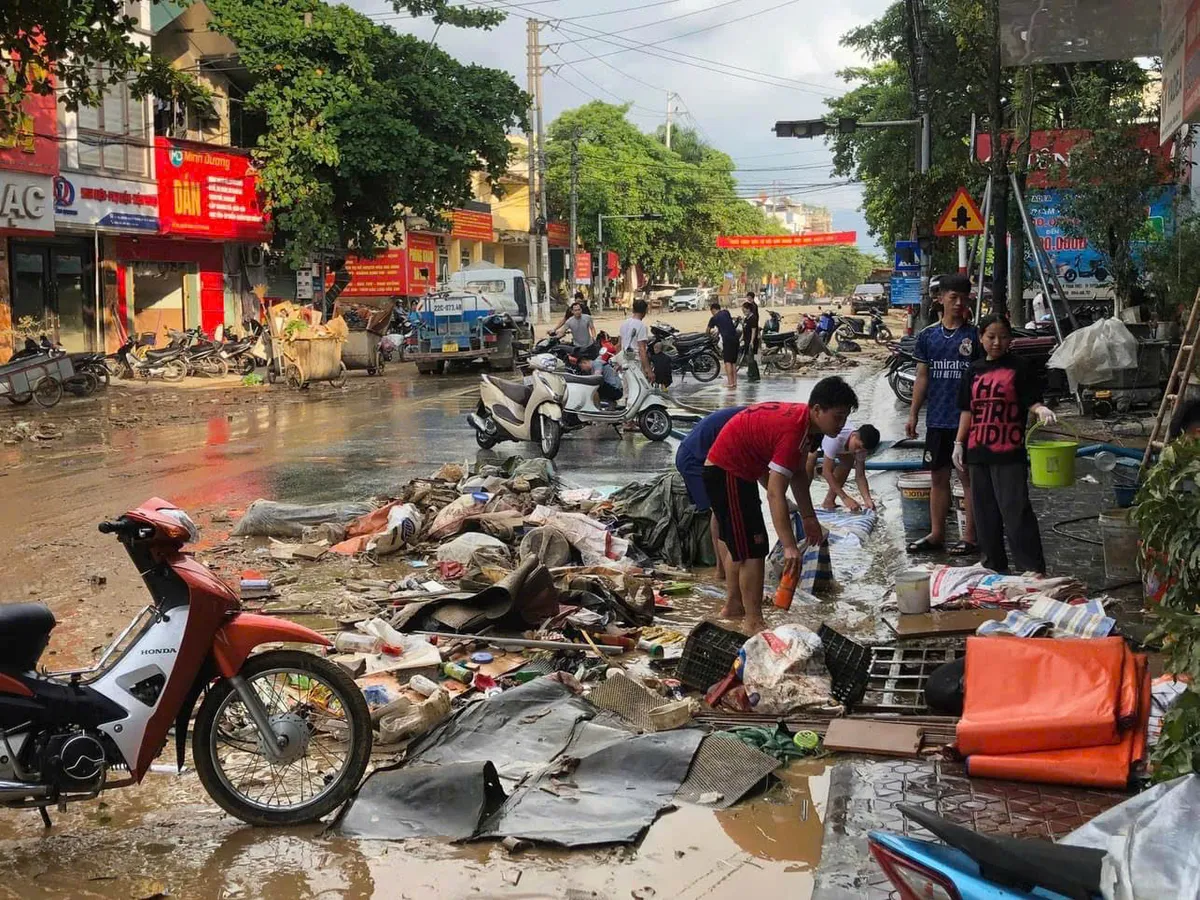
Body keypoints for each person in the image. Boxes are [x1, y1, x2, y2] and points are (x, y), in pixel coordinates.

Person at [704, 377, 860, 636]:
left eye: (845, 418)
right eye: (838, 417)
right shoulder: (793, 430)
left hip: (738, 472)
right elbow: (775, 493)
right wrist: (789, 546)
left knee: (744, 546)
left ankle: (735, 607)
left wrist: (809, 517)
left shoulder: (809, 429)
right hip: (727, 470)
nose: (841, 424)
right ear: (817, 409)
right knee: (753, 548)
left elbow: (798, 474)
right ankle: (752, 620)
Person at [954, 315, 1055, 573]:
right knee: (985, 516)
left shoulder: (1020, 367)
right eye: (991, 337)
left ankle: (1031, 570)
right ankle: (993, 568)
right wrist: (959, 443)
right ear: (981, 338)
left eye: (1003, 337)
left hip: (1009, 452)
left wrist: (1041, 409)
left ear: (1010, 339)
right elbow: (967, 411)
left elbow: (1030, 400)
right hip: (978, 452)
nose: (997, 343)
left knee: (1016, 514)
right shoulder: (973, 370)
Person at [905, 273, 980, 555]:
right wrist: (913, 414)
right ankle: (936, 534)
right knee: (937, 477)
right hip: (936, 419)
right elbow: (922, 377)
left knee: (966, 476)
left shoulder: (975, 336)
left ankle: (970, 537)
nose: (959, 303)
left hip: (965, 420)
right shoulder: (927, 336)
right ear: (941, 299)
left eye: (964, 298)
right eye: (953, 298)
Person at [675, 405, 746, 579]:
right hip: (695, 459)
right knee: (721, 512)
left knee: (722, 511)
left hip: (705, 455)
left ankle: (723, 568)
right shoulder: (750, 423)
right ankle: (722, 570)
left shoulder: (751, 417)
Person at [807, 423, 881, 512]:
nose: (857, 451)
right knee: (811, 457)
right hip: (818, 435)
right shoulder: (835, 439)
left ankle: (829, 501)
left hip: (840, 447)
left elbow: (860, 475)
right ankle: (803, 499)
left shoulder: (861, 450)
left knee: (848, 461)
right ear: (854, 435)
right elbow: (826, 472)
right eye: (857, 447)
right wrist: (845, 498)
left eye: (861, 450)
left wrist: (867, 499)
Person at [616, 298, 653, 379]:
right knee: (639, 389)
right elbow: (642, 349)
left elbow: (619, 345)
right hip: (635, 364)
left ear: (633, 309)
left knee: (627, 390)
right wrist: (648, 370)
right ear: (645, 311)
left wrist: (618, 363)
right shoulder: (642, 326)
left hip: (624, 362)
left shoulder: (624, 323)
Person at [707, 301, 740, 389]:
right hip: (736, 338)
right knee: (733, 362)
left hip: (727, 340)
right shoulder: (726, 312)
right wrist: (718, 332)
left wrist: (710, 335)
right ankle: (734, 382)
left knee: (727, 362)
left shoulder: (713, 318)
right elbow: (725, 324)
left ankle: (730, 382)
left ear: (713, 310)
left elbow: (707, 330)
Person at [741, 293, 761, 383]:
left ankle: (754, 374)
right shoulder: (746, 318)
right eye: (743, 310)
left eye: (745, 310)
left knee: (751, 357)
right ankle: (751, 372)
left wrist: (752, 342)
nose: (743, 311)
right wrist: (741, 338)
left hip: (751, 340)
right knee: (749, 357)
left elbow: (753, 331)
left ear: (749, 309)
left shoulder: (753, 318)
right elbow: (744, 330)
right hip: (746, 340)